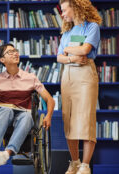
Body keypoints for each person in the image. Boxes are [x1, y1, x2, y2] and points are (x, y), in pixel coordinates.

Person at [0, 43, 55, 166]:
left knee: (28, 116)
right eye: (10, 52)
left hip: (24, 114)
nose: (15, 53)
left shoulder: (31, 78)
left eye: (16, 51)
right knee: (6, 110)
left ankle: (5, 154)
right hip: (3, 113)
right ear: (2, 60)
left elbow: (50, 99)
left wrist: (49, 115)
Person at [57, 0, 102, 174]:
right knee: (69, 119)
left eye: (64, 9)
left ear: (75, 7)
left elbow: (85, 50)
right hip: (68, 76)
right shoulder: (66, 32)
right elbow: (59, 57)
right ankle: (74, 162)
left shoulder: (92, 27)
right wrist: (70, 57)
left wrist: (68, 50)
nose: (62, 14)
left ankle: (85, 165)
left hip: (85, 76)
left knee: (86, 119)